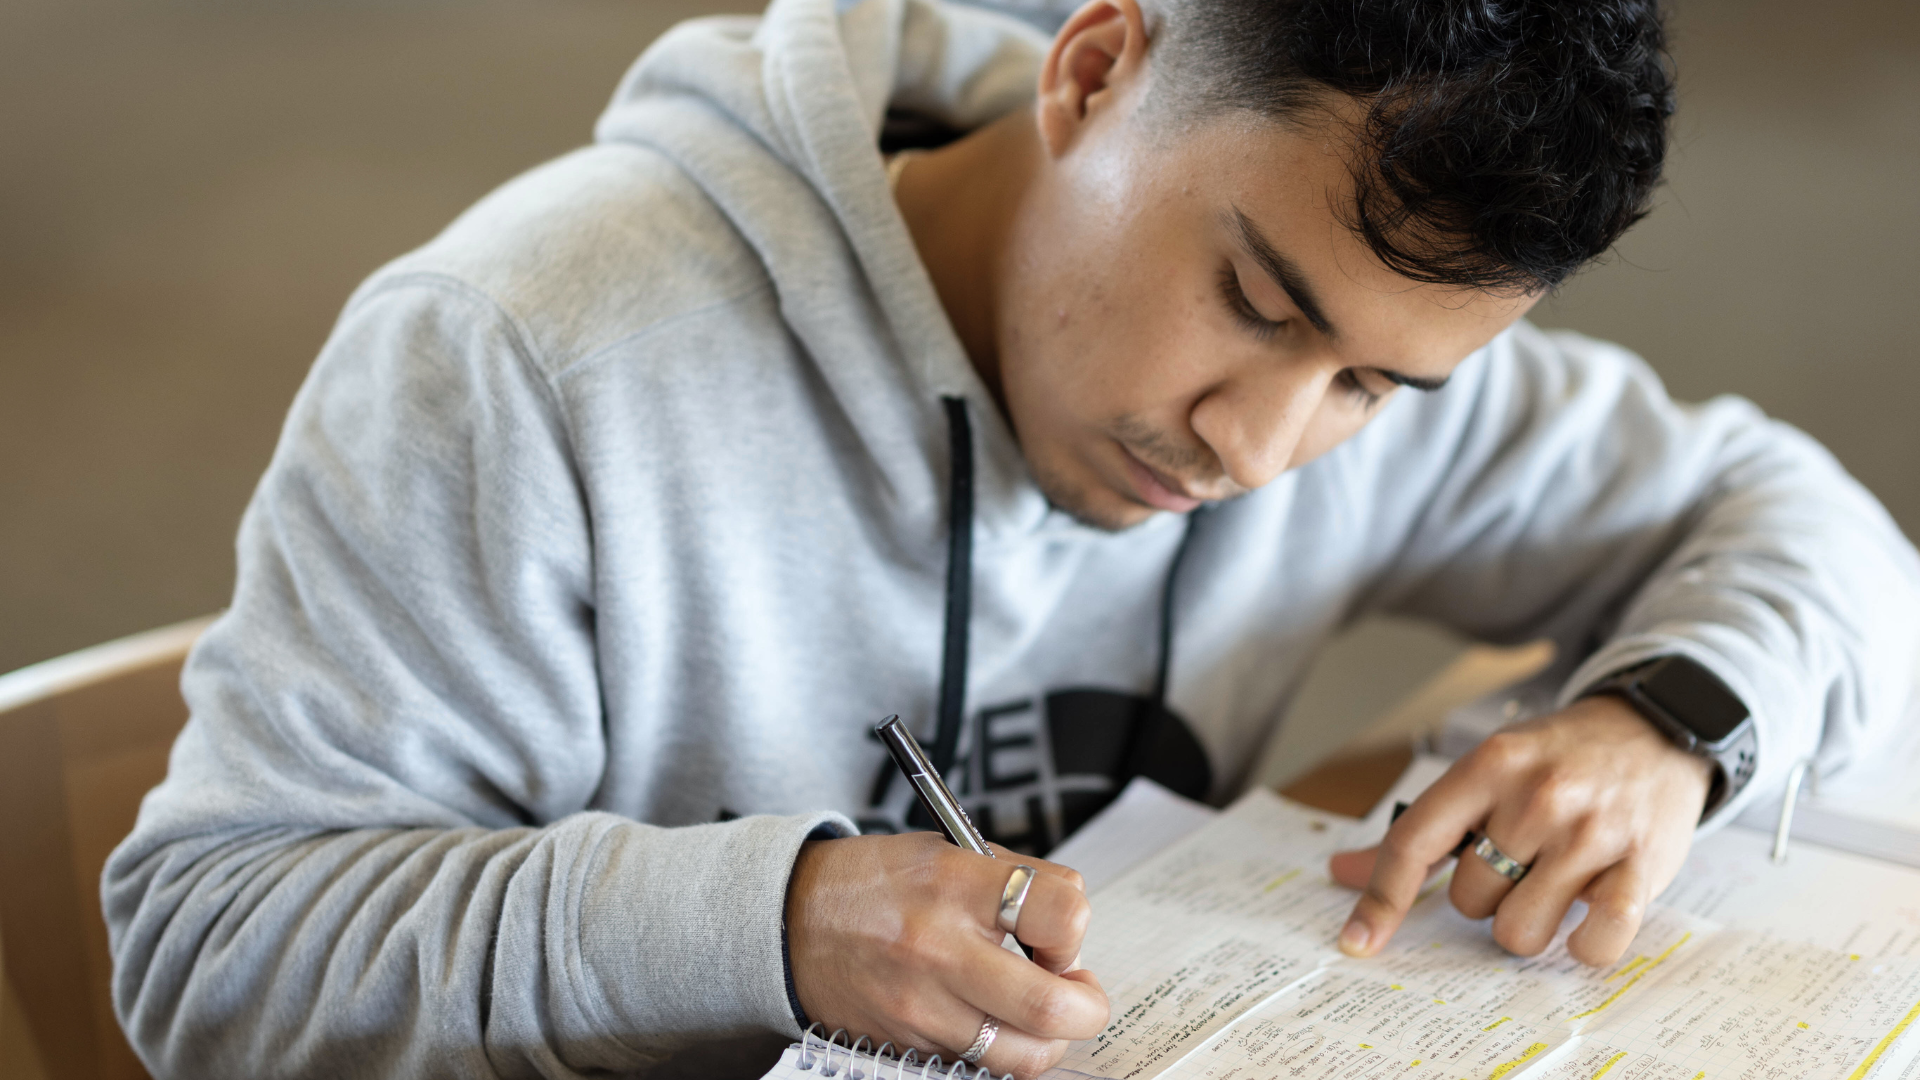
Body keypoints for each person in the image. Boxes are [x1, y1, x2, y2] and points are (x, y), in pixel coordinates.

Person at [104, 0, 1920, 1076]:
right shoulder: (522, 355)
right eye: (1256, 303)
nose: (1262, 447)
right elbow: (210, 945)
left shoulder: (1339, 368)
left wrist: (1670, 722)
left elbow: (1799, 520)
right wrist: (774, 918)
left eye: (1381, 387)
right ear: (1098, 66)